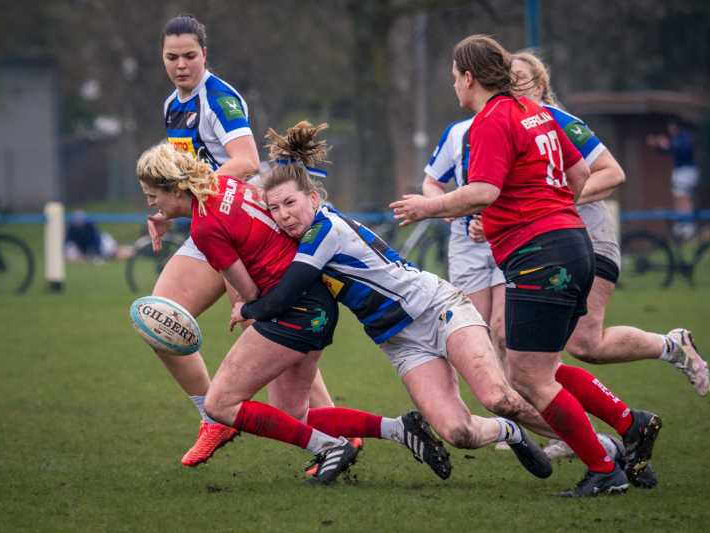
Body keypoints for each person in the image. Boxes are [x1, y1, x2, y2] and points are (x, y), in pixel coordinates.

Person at [391, 35, 662, 497]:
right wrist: (547, 211)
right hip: (574, 245)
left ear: (469, 78)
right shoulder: (536, 113)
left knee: (526, 378)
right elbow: (579, 175)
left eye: (454, 77)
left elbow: (483, 191)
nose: (454, 85)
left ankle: (604, 467)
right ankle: (628, 424)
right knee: (545, 367)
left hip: (541, 256)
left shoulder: (491, 120)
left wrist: (426, 207)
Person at [231, 121, 555, 481]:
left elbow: (283, 296)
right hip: (400, 341)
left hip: (437, 309)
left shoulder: (325, 231)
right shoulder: (301, 239)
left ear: (313, 199)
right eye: (274, 208)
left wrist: (246, 309)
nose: (283, 215)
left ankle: (596, 443)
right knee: (458, 433)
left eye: (290, 203)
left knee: (498, 399)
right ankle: (510, 432)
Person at [136, 141, 453, 484]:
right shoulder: (226, 184)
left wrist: (245, 308)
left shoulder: (204, 228)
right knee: (293, 412)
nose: (151, 203)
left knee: (220, 405)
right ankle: (400, 429)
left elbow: (250, 292)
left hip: (291, 310)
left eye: (152, 195)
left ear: (176, 189)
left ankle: (328, 447)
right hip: (317, 304)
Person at [146, 14, 337, 468]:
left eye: (189, 56)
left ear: (204, 54)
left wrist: (194, 191)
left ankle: (333, 434)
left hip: (241, 230)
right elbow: (181, 176)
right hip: (207, 228)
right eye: (172, 57)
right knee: (159, 321)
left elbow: (248, 161)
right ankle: (213, 417)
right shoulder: (172, 104)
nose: (180, 65)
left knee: (270, 334)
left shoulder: (220, 98)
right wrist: (168, 210)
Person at [508, 51, 710, 462]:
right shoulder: (507, 126)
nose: (512, 86)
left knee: (585, 345)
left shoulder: (559, 121)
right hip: (548, 246)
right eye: (505, 79)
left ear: (541, 87)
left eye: (520, 79)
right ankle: (583, 434)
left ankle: (671, 346)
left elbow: (613, 173)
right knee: (544, 358)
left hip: (589, 241)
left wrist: (555, 201)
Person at [646, 117, 699, 240]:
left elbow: (682, 149)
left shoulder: (685, 137)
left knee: (683, 196)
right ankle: (682, 221)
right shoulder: (676, 139)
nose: (670, 130)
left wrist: (668, 144)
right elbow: (667, 150)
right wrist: (657, 145)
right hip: (680, 171)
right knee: (678, 196)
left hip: (687, 170)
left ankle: (688, 223)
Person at [64, 210, 133, 264]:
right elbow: (69, 243)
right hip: (89, 249)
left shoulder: (89, 225)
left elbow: (94, 240)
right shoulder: (71, 229)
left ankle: (134, 251)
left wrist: (94, 254)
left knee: (115, 253)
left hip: (102, 243)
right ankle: (134, 251)